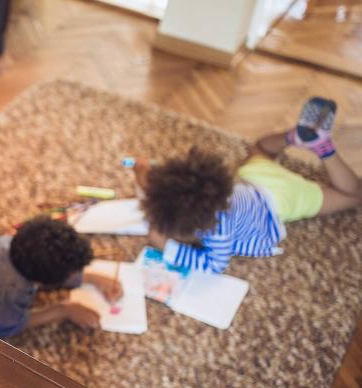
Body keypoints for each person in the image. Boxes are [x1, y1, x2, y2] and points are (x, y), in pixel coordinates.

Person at [134, 97, 361, 274]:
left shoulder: (217, 231)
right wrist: (141, 172)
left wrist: (168, 247)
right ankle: (295, 137)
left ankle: (322, 148)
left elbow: (214, 264)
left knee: (351, 195)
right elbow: (154, 188)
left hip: (282, 198)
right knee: (260, 149)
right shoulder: (200, 192)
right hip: (254, 177)